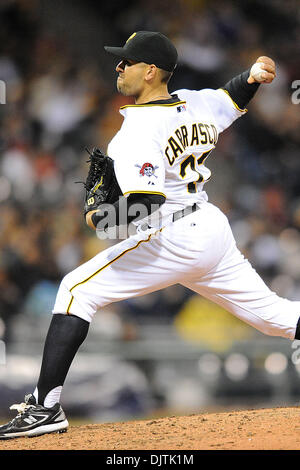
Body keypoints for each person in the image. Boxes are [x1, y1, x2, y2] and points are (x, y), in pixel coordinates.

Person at [1, 31, 299, 439]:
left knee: (75, 289)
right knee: (272, 316)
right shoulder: (193, 101)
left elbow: (145, 202)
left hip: (173, 234)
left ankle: (44, 408)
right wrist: (253, 75)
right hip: (210, 226)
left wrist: (97, 219)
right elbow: (231, 98)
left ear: (151, 71)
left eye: (128, 61)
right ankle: (44, 406)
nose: (119, 67)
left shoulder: (138, 129)